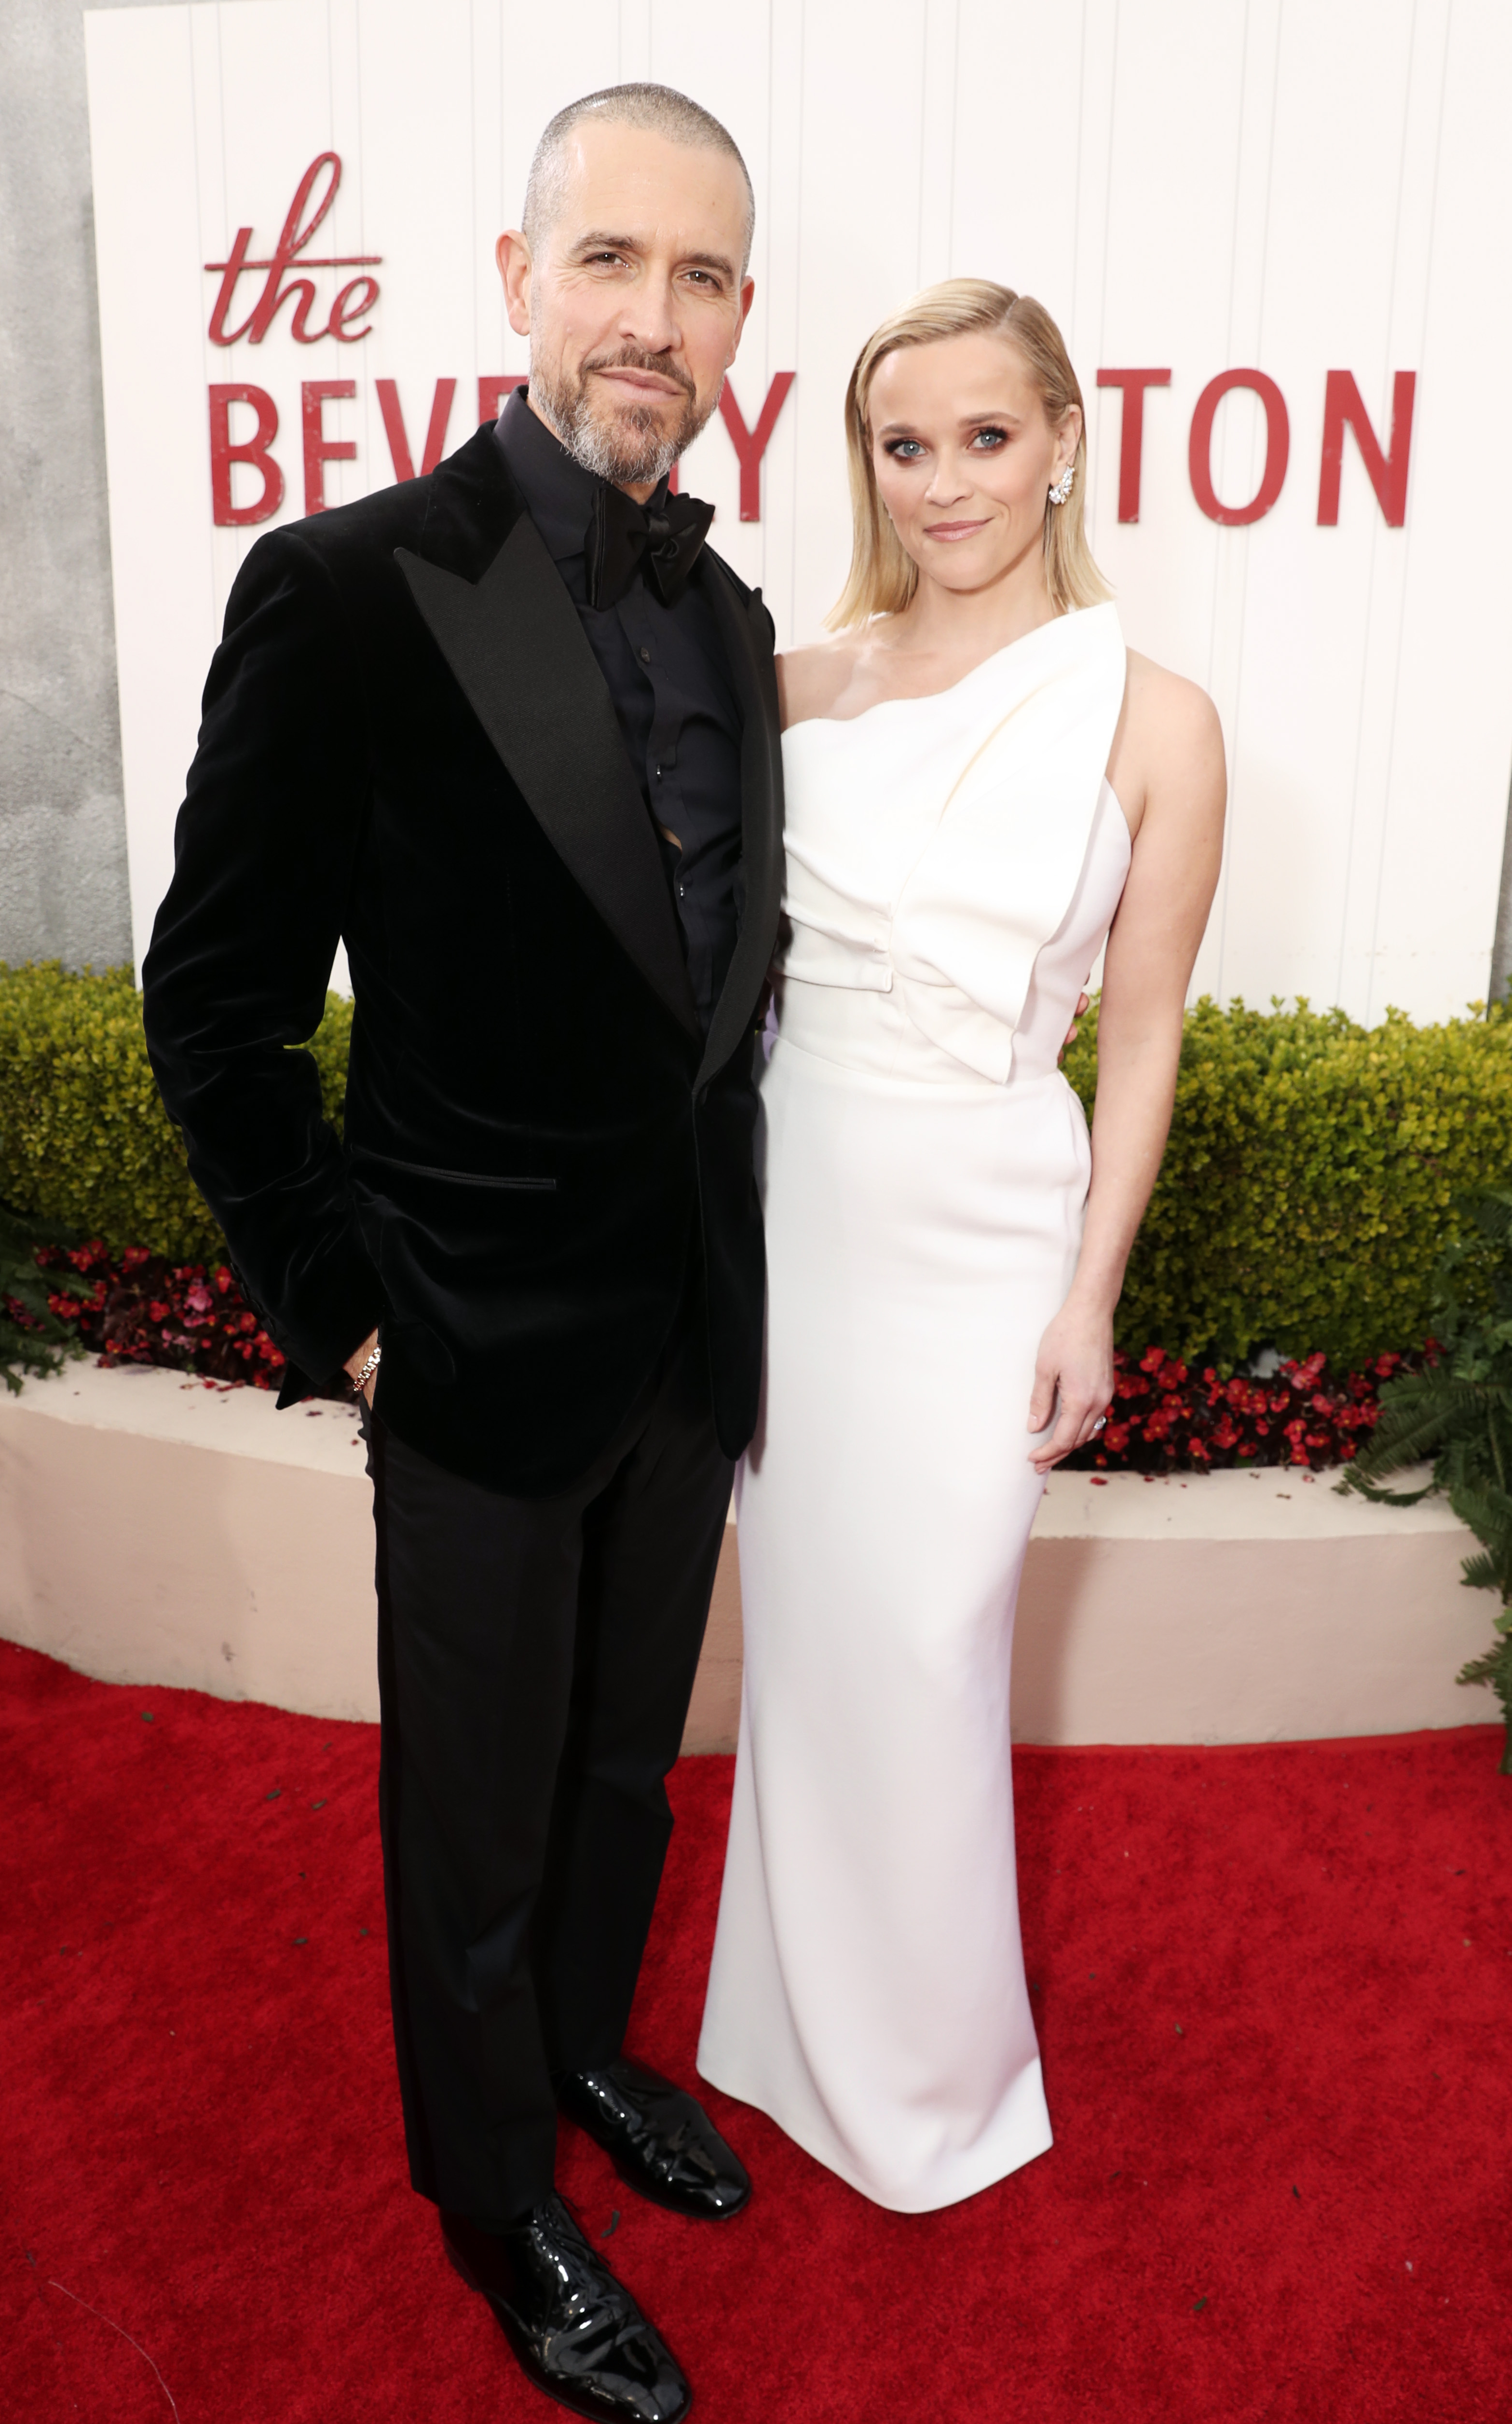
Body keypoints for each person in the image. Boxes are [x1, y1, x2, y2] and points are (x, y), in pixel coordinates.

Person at [143, 84, 782, 2424]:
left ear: (740, 321)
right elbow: (210, 1005)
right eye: (610, 261)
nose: (653, 316)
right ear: (517, 276)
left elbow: (705, 997)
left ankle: (589, 2057)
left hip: (686, 1338)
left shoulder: (725, 606)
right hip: (472, 1342)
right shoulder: (345, 591)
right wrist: (348, 1312)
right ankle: (492, 2192)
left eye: (701, 276)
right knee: (477, 1810)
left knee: (623, 1776)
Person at [697, 281, 1226, 2210]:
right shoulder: (800, 682)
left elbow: (1145, 1027)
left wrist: (1090, 1292)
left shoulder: (1156, 719)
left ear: (1063, 440)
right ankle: (776, 2030)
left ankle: (930, 2081)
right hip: (798, 1200)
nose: (944, 484)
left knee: (927, 1639)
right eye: (902, 446)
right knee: (817, 1641)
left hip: (992, 1211)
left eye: (985, 438)